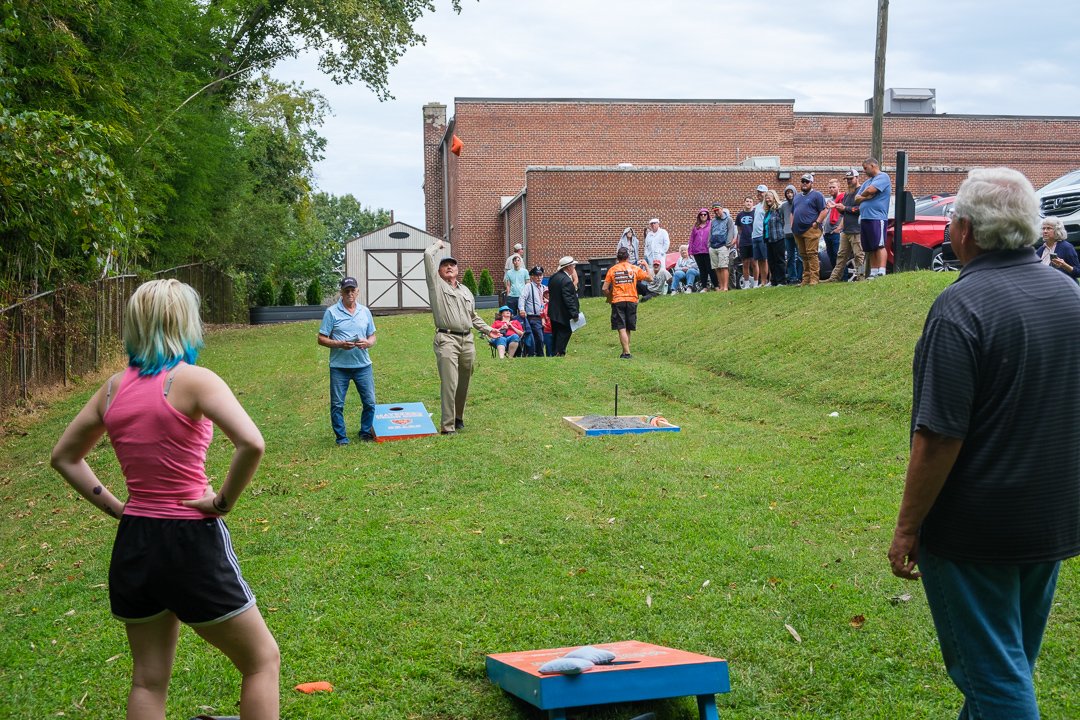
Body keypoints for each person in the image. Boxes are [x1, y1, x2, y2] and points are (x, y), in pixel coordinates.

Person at [888, 167, 1080, 720]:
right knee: (1007, 665)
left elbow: (938, 435)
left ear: (966, 231)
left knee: (996, 680)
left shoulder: (961, 307)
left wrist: (907, 527)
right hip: (1051, 520)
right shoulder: (1067, 294)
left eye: (951, 221)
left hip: (976, 531)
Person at [50, 279, 280, 720]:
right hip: (189, 538)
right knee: (261, 661)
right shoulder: (195, 380)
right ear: (185, 323)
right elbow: (251, 443)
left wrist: (120, 508)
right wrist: (222, 502)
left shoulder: (114, 388)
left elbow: (64, 457)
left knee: (148, 680)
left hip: (135, 543)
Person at [424, 238, 500, 435]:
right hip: (447, 339)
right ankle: (447, 426)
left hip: (468, 340)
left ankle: (458, 417)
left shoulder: (465, 290)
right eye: (444, 265)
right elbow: (427, 256)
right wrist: (437, 246)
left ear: (457, 269)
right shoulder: (436, 286)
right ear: (439, 271)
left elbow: (472, 316)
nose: (449, 267)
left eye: (452, 265)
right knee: (450, 382)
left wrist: (487, 329)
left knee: (464, 382)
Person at [317, 277, 377, 445]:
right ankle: (341, 437)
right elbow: (321, 339)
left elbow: (372, 335)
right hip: (339, 367)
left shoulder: (365, 311)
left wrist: (368, 343)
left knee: (370, 402)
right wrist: (340, 344)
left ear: (357, 291)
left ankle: (365, 432)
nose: (350, 293)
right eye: (346, 291)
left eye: (353, 290)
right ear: (341, 293)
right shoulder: (331, 312)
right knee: (337, 404)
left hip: (363, 365)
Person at [602, 247, 652, 359]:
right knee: (628, 327)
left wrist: (609, 296)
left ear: (617, 258)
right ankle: (625, 352)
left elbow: (604, 288)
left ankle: (627, 353)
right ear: (628, 257)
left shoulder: (612, 270)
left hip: (618, 300)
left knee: (621, 326)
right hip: (632, 300)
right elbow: (650, 278)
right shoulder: (634, 268)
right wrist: (646, 265)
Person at [854, 157, 892, 279]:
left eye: (865, 168)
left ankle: (881, 271)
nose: (864, 171)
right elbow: (856, 198)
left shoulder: (883, 177)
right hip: (865, 217)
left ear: (873, 166)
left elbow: (871, 189)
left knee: (879, 244)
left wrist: (865, 193)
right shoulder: (867, 182)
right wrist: (866, 197)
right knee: (870, 247)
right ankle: (874, 272)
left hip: (877, 217)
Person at [827, 169, 866, 282]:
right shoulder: (847, 193)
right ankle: (834, 278)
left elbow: (861, 209)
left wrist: (845, 208)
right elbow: (844, 211)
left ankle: (861, 277)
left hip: (857, 230)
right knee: (841, 256)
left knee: (859, 256)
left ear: (857, 178)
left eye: (851, 179)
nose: (848, 181)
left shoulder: (861, 191)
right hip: (846, 230)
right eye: (847, 179)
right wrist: (837, 207)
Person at [792, 173, 828, 286]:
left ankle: (814, 278)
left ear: (811, 183)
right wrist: (792, 225)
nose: (804, 183)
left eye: (807, 182)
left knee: (811, 254)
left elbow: (824, 210)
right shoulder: (797, 196)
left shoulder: (817, 195)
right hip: (797, 231)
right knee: (803, 255)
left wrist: (817, 222)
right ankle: (806, 279)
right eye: (802, 181)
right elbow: (793, 212)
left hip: (811, 229)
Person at [547, 255, 581, 357]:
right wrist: (574, 313)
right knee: (564, 333)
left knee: (556, 334)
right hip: (563, 314)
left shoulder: (553, 277)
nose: (574, 268)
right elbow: (569, 299)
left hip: (553, 312)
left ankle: (554, 353)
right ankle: (559, 353)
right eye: (573, 266)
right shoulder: (566, 281)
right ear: (568, 267)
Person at [1035, 215, 1080, 280]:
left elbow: (1078, 272)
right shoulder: (1040, 250)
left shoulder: (1066, 247)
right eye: (1043, 228)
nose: (1045, 231)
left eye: (1049, 228)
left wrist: (1064, 265)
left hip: (1063, 287)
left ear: (1057, 230)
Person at [519, 265, 547, 355]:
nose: (539, 277)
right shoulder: (529, 286)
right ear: (532, 277)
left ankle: (537, 353)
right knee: (539, 337)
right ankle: (540, 355)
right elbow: (522, 298)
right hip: (534, 317)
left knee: (542, 337)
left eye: (540, 275)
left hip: (545, 317)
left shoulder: (544, 288)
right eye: (536, 275)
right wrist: (522, 309)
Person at [709, 204, 736, 291]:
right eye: (714, 211)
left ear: (721, 209)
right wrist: (708, 244)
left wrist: (727, 244)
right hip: (713, 246)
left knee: (723, 266)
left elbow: (730, 232)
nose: (716, 212)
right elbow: (710, 232)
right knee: (717, 267)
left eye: (718, 210)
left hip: (723, 245)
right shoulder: (713, 221)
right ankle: (721, 286)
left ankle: (725, 287)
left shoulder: (728, 219)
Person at [762, 190, 787, 285]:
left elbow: (784, 222)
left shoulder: (779, 209)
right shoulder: (767, 212)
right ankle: (774, 281)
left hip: (778, 238)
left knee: (779, 260)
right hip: (769, 239)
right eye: (766, 197)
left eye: (769, 197)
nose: (768, 199)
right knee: (771, 261)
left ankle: (781, 281)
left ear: (774, 198)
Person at [780, 184, 802, 284]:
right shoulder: (783, 206)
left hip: (797, 233)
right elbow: (781, 219)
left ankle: (800, 276)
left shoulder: (798, 203)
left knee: (800, 256)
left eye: (791, 192)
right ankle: (792, 277)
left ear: (794, 192)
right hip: (787, 234)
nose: (789, 194)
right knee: (790, 257)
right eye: (787, 193)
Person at [688, 208, 713, 290]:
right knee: (702, 270)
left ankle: (716, 286)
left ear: (707, 215)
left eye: (705, 214)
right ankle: (704, 287)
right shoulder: (696, 226)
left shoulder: (711, 224)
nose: (703, 216)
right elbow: (691, 239)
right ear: (699, 216)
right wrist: (690, 250)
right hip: (697, 251)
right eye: (701, 214)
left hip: (707, 250)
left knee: (710, 269)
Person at [749, 184, 769, 288]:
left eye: (761, 192)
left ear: (766, 193)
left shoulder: (766, 205)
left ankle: (766, 281)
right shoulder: (757, 206)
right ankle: (762, 281)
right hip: (755, 236)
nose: (759, 194)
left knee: (765, 259)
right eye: (758, 192)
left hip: (762, 235)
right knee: (759, 260)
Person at [735, 198, 755, 289]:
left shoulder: (755, 213)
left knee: (754, 263)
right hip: (744, 242)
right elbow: (739, 229)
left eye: (750, 202)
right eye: (747, 201)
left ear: (752, 204)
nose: (749, 203)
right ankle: (746, 284)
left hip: (753, 241)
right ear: (744, 203)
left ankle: (756, 283)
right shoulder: (740, 215)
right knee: (745, 263)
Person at [822, 178, 842, 267]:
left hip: (836, 232)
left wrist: (839, 229)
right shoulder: (829, 201)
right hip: (827, 233)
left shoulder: (842, 198)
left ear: (838, 187)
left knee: (838, 256)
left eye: (833, 187)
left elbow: (845, 215)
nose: (831, 189)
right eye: (830, 187)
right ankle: (835, 277)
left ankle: (843, 277)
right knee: (831, 257)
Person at [540, 288, 554, 357]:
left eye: (549, 293)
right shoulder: (544, 306)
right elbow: (542, 315)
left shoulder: (557, 304)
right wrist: (543, 320)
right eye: (546, 293)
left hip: (556, 329)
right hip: (547, 329)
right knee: (548, 347)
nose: (548, 294)